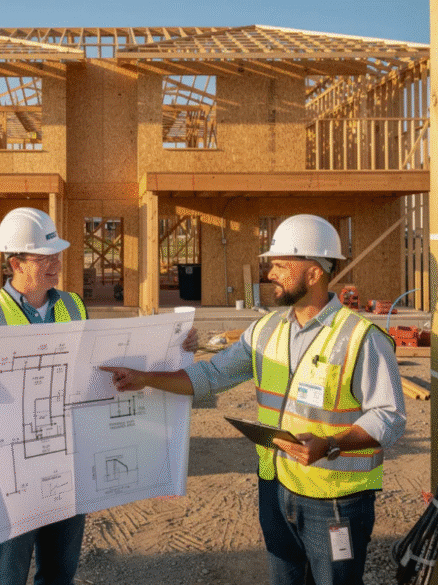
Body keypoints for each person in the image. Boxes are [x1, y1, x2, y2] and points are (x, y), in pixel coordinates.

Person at [101, 214, 405, 585]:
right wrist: (145, 379)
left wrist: (330, 445)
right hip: (275, 489)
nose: (271, 273)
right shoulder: (265, 330)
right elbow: (211, 376)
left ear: (313, 274)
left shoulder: (361, 338)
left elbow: (389, 416)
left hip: (335, 501)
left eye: (281, 265)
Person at [0, 206, 197, 585]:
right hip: (15, 468)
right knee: (8, 573)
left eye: (57, 255)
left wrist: (177, 344)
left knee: (60, 571)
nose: (56, 263)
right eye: (44, 257)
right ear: (16, 263)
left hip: (71, 458)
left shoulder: (72, 305)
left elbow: (99, 366)